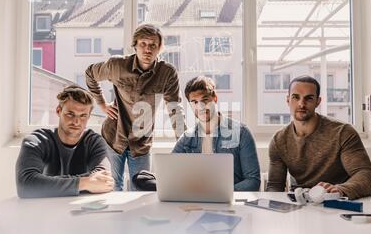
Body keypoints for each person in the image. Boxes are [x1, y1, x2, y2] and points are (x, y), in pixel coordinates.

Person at [85, 24, 186, 191]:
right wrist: (101, 104)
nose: (147, 50)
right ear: (135, 45)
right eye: (143, 44)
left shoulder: (167, 73)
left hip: (141, 142)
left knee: (141, 190)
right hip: (113, 138)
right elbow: (90, 74)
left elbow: (175, 109)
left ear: (160, 48)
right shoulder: (117, 65)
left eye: (153, 45)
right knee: (111, 188)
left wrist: (185, 144)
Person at [266, 75, 371, 199]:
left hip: (337, 201)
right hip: (301, 203)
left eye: (308, 98)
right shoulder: (279, 140)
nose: (301, 104)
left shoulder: (343, 132)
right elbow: (274, 186)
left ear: (318, 102)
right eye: (295, 97)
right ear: (288, 100)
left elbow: (366, 176)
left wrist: (339, 190)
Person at [16, 85, 113, 198]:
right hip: (45, 209)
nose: (76, 122)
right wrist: (84, 182)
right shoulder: (37, 140)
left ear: (89, 116)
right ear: (59, 111)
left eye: (83, 116)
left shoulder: (94, 142)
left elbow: (104, 181)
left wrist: (44, 182)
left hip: (82, 209)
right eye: (70, 114)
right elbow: (25, 185)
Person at [172, 76, 260, 191]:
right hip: (197, 202)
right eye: (194, 102)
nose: (201, 106)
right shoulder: (186, 139)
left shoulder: (241, 133)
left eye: (205, 100)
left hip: (231, 203)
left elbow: (253, 181)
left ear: (215, 98)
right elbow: (170, 175)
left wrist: (221, 193)